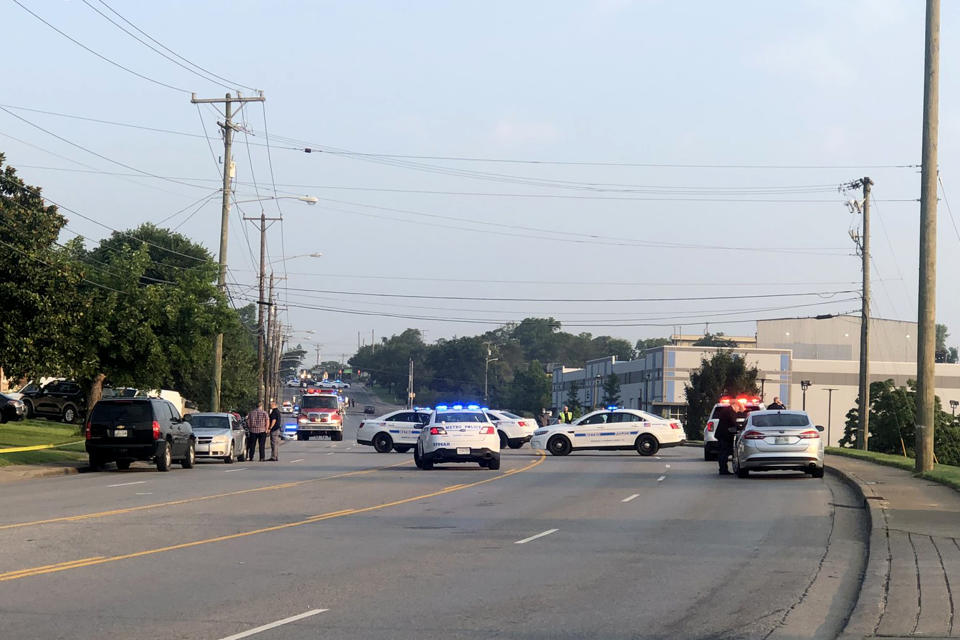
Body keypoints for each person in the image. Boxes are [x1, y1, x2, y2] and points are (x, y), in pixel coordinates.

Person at [715, 399, 745, 475]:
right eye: (738, 408)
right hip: (724, 435)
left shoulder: (727, 410)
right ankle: (723, 470)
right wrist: (741, 428)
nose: (738, 410)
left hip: (723, 435)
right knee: (723, 453)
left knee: (723, 453)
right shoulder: (730, 412)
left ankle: (723, 469)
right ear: (735, 405)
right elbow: (733, 422)